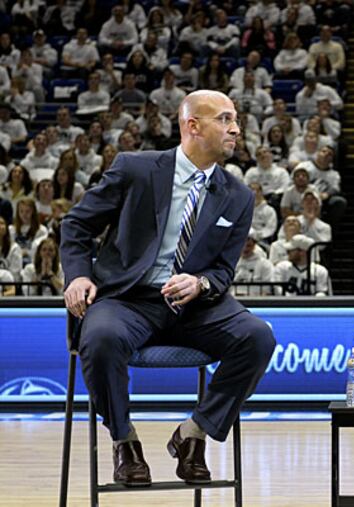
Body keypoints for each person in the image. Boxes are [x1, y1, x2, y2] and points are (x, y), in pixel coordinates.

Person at [60, 90, 276, 487]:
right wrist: (77, 275)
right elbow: (76, 225)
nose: (236, 128)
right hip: (129, 299)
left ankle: (193, 434)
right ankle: (124, 441)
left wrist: (200, 282)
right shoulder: (135, 169)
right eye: (225, 119)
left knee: (258, 337)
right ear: (193, 125)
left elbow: (223, 272)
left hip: (195, 307)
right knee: (101, 337)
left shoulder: (239, 196)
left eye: (236, 120)